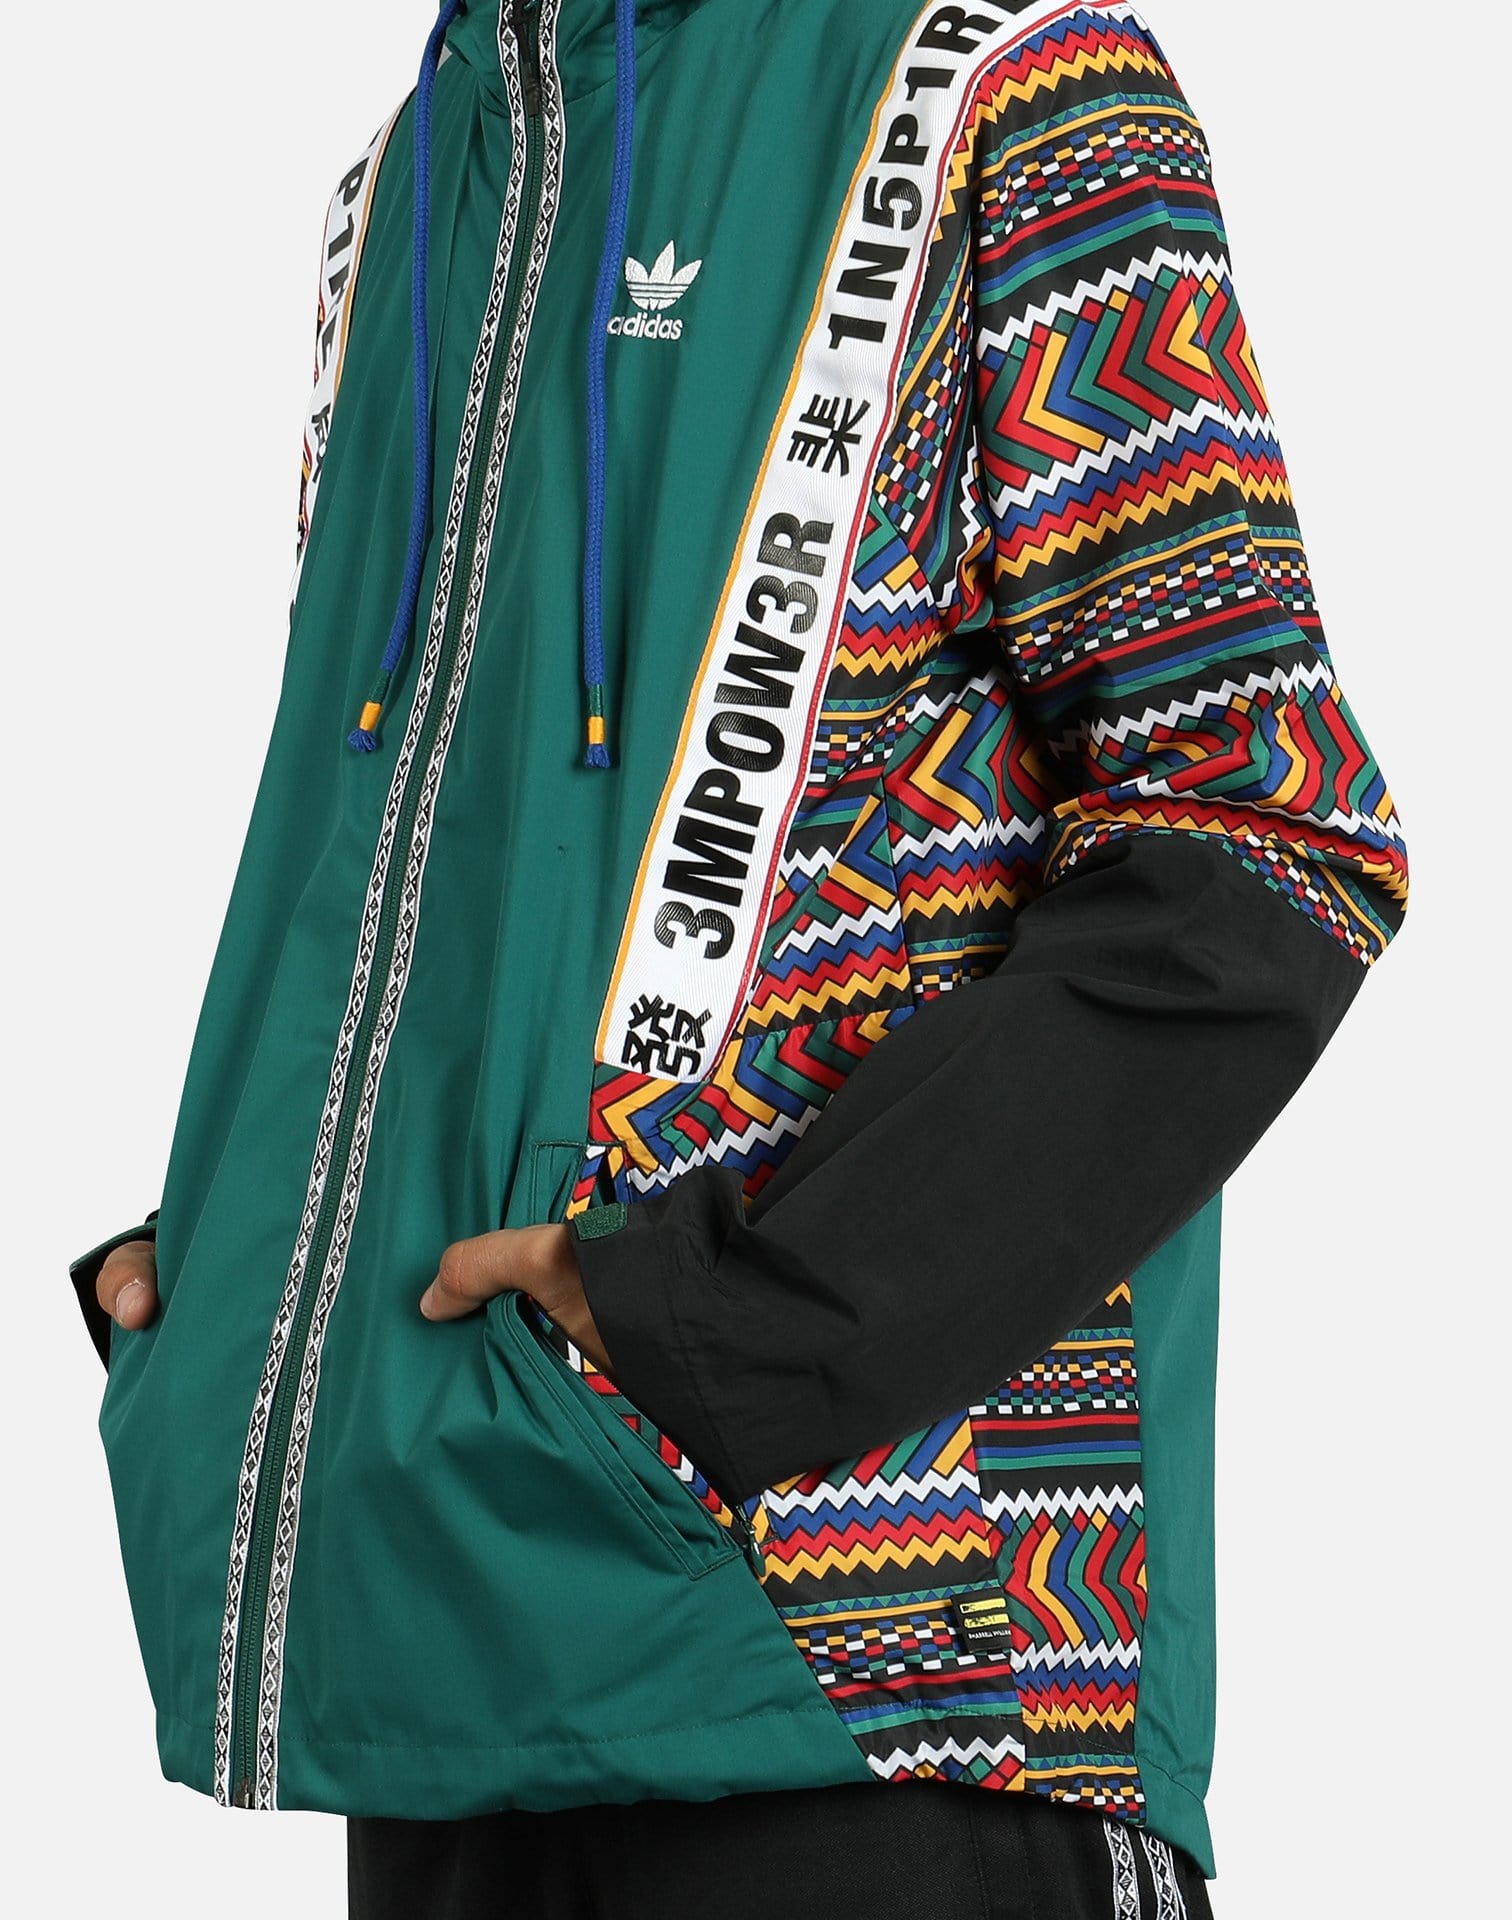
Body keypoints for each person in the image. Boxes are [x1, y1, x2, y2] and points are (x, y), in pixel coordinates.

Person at [69, 2, 1409, 1916]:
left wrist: (729, 1320)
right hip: (440, 1632)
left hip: (872, 1675)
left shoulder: (1010, 93)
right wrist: (255, 1268)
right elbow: (478, 882)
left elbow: (1261, 842)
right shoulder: (421, 179)